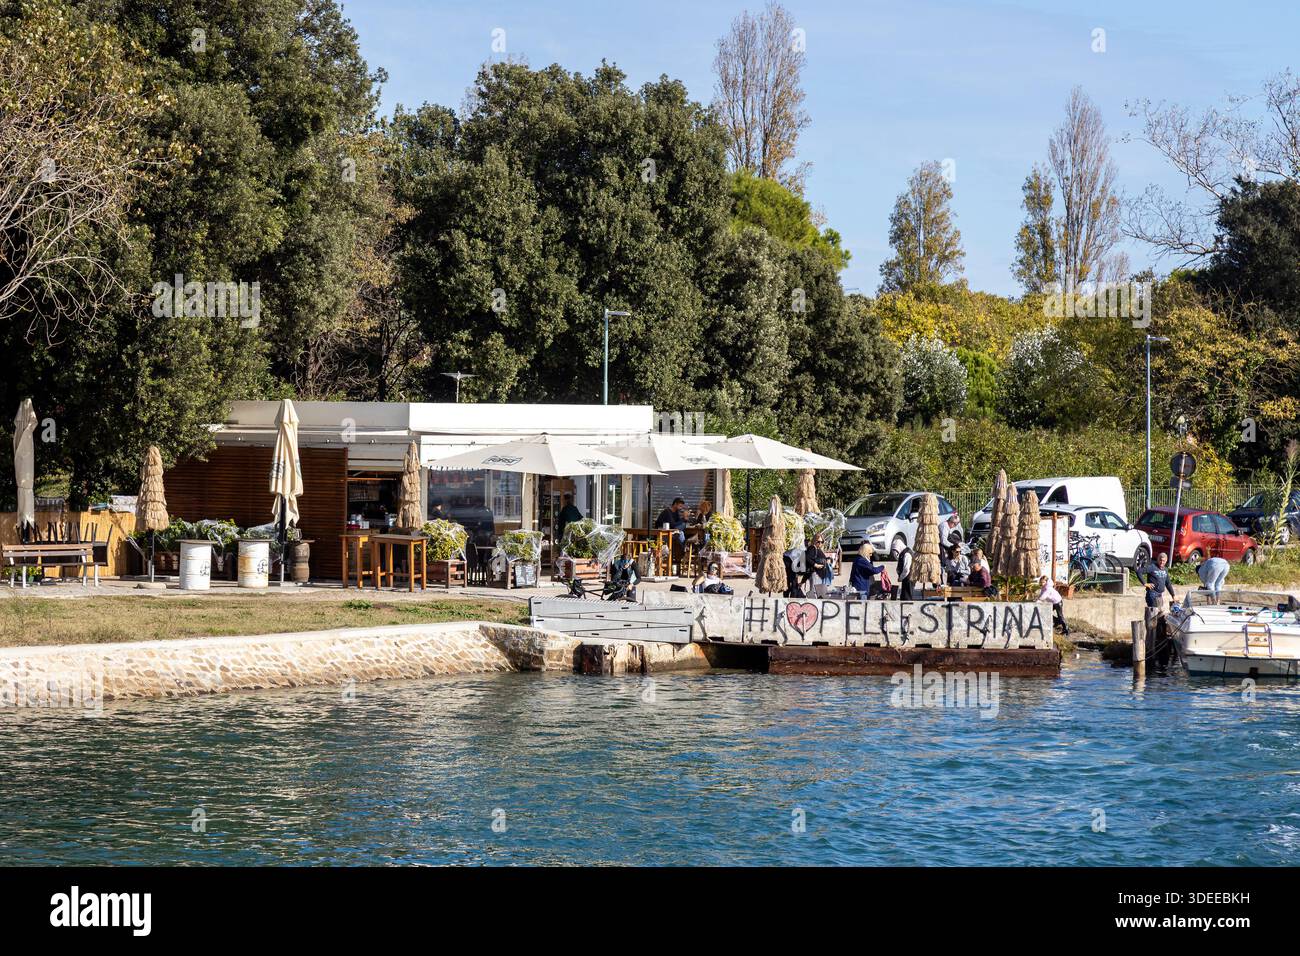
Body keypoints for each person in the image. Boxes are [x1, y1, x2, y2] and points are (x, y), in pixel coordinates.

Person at [804, 533, 833, 598]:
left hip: (819, 574)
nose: (820, 543)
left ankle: (817, 605)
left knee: (820, 592)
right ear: (814, 541)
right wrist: (815, 565)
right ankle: (813, 605)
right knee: (814, 592)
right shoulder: (812, 548)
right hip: (815, 574)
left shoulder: (818, 549)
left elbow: (819, 558)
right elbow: (807, 558)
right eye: (818, 542)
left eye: (822, 542)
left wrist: (827, 559)